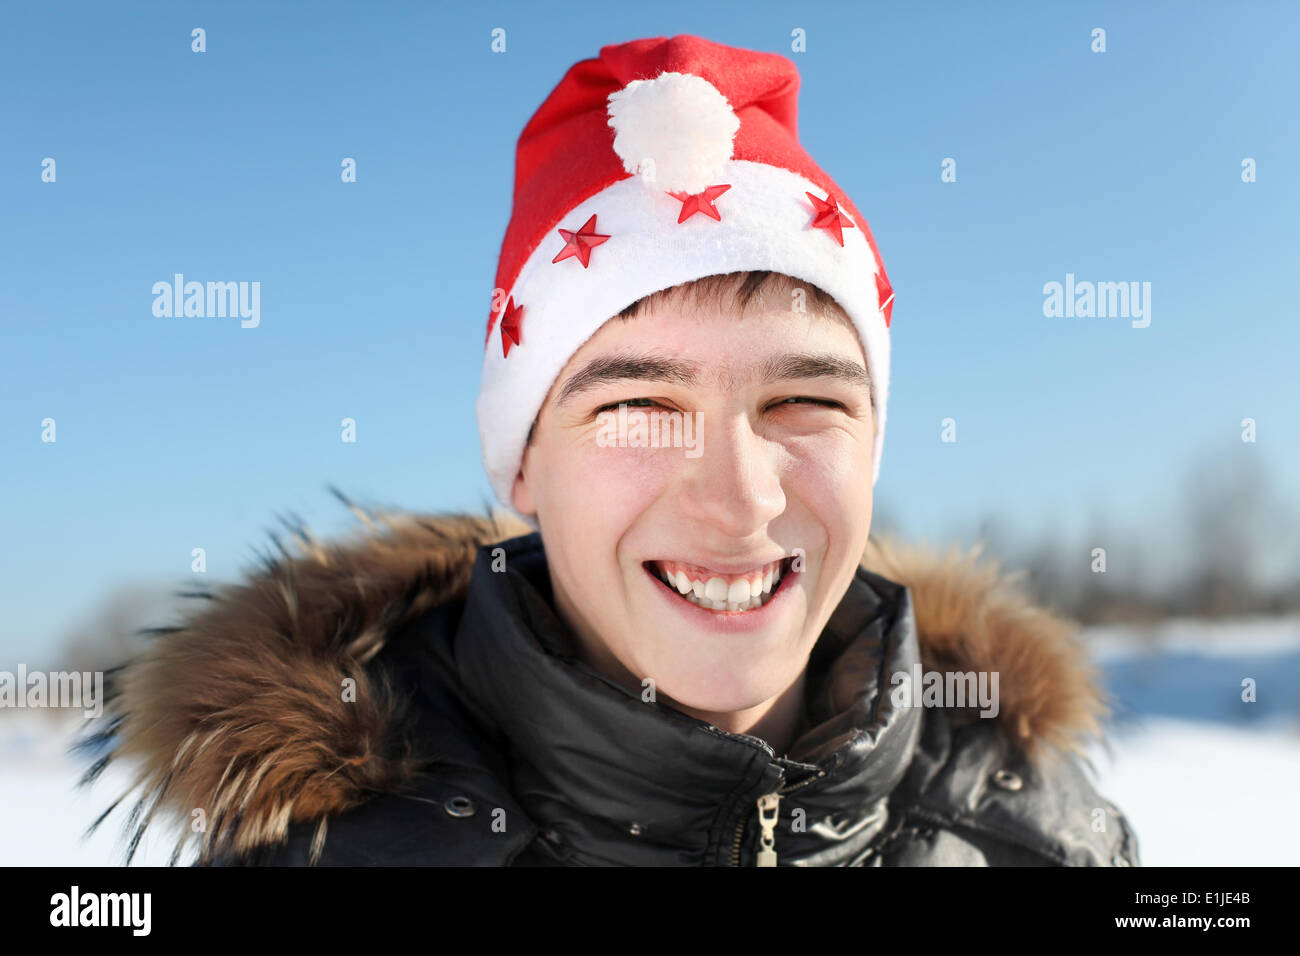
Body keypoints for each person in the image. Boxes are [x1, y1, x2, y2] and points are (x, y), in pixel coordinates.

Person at [82, 34, 1139, 867]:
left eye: (804, 399)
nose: (737, 500)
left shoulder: (1042, 833)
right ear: (524, 462)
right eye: (638, 404)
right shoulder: (322, 853)